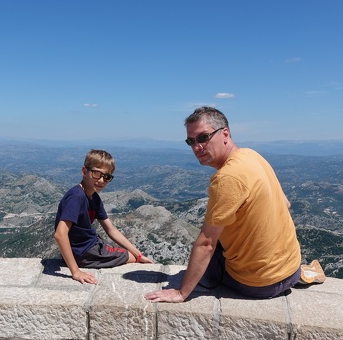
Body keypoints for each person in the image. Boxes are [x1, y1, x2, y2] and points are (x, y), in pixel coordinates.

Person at [145, 106, 302, 302]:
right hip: (292, 271)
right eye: (190, 141)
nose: (196, 147)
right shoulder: (252, 155)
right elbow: (285, 204)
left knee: (208, 247)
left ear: (225, 134)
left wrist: (181, 292)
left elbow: (207, 244)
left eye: (203, 138)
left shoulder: (227, 178)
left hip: (259, 284)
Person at [54, 149, 153, 285]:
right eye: (96, 173)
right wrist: (75, 272)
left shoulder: (94, 198)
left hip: (90, 247)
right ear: (84, 171)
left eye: (106, 177)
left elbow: (111, 230)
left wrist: (139, 254)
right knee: (131, 257)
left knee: (134, 255)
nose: (101, 180)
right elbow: (60, 234)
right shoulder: (76, 197)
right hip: (85, 252)